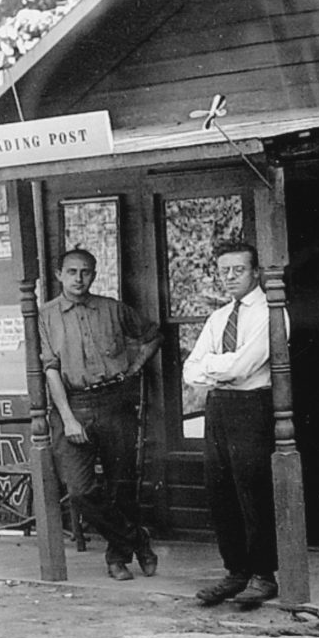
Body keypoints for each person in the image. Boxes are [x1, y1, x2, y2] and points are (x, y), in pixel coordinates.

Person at [37, 248, 161, 581]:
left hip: (114, 404)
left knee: (122, 486)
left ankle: (116, 558)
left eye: (86, 272)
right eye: (72, 272)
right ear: (59, 274)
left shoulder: (112, 309)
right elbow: (50, 369)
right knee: (80, 490)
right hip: (72, 405)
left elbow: (152, 336)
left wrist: (134, 367)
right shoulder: (45, 316)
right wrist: (68, 418)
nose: (79, 279)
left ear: (94, 275)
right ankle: (138, 540)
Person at [182, 240, 282, 608]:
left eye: (238, 270)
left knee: (252, 490)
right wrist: (224, 369)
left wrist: (218, 367)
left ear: (255, 271)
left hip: (252, 408)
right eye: (224, 270)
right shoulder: (218, 318)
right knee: (220, 491)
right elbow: (190, 370)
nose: (229, 277)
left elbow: (245, 367)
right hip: (218, 408)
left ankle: (263, 575)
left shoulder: (272, 313)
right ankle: (236, 572)